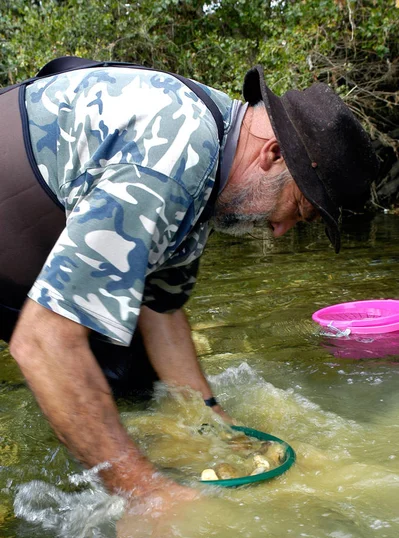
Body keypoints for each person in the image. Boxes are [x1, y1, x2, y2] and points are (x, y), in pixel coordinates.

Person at [0, 61, 378, 505]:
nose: (279, 231)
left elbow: (160, 308)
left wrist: (213, 425)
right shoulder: (173, 160)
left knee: (134, 379)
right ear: (272, 154)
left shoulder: (213, 163)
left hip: (22, 244)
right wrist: (147, 495)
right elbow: (43, 344)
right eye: (296, 207)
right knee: (75, 369)